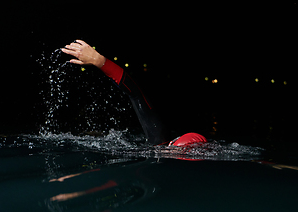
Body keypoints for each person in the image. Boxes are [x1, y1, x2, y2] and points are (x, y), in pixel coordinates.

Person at [61, 40, 207, 147]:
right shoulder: (160, 145)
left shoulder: (160, 142)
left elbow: (136, 94)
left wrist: (99, 61)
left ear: (173, 142)